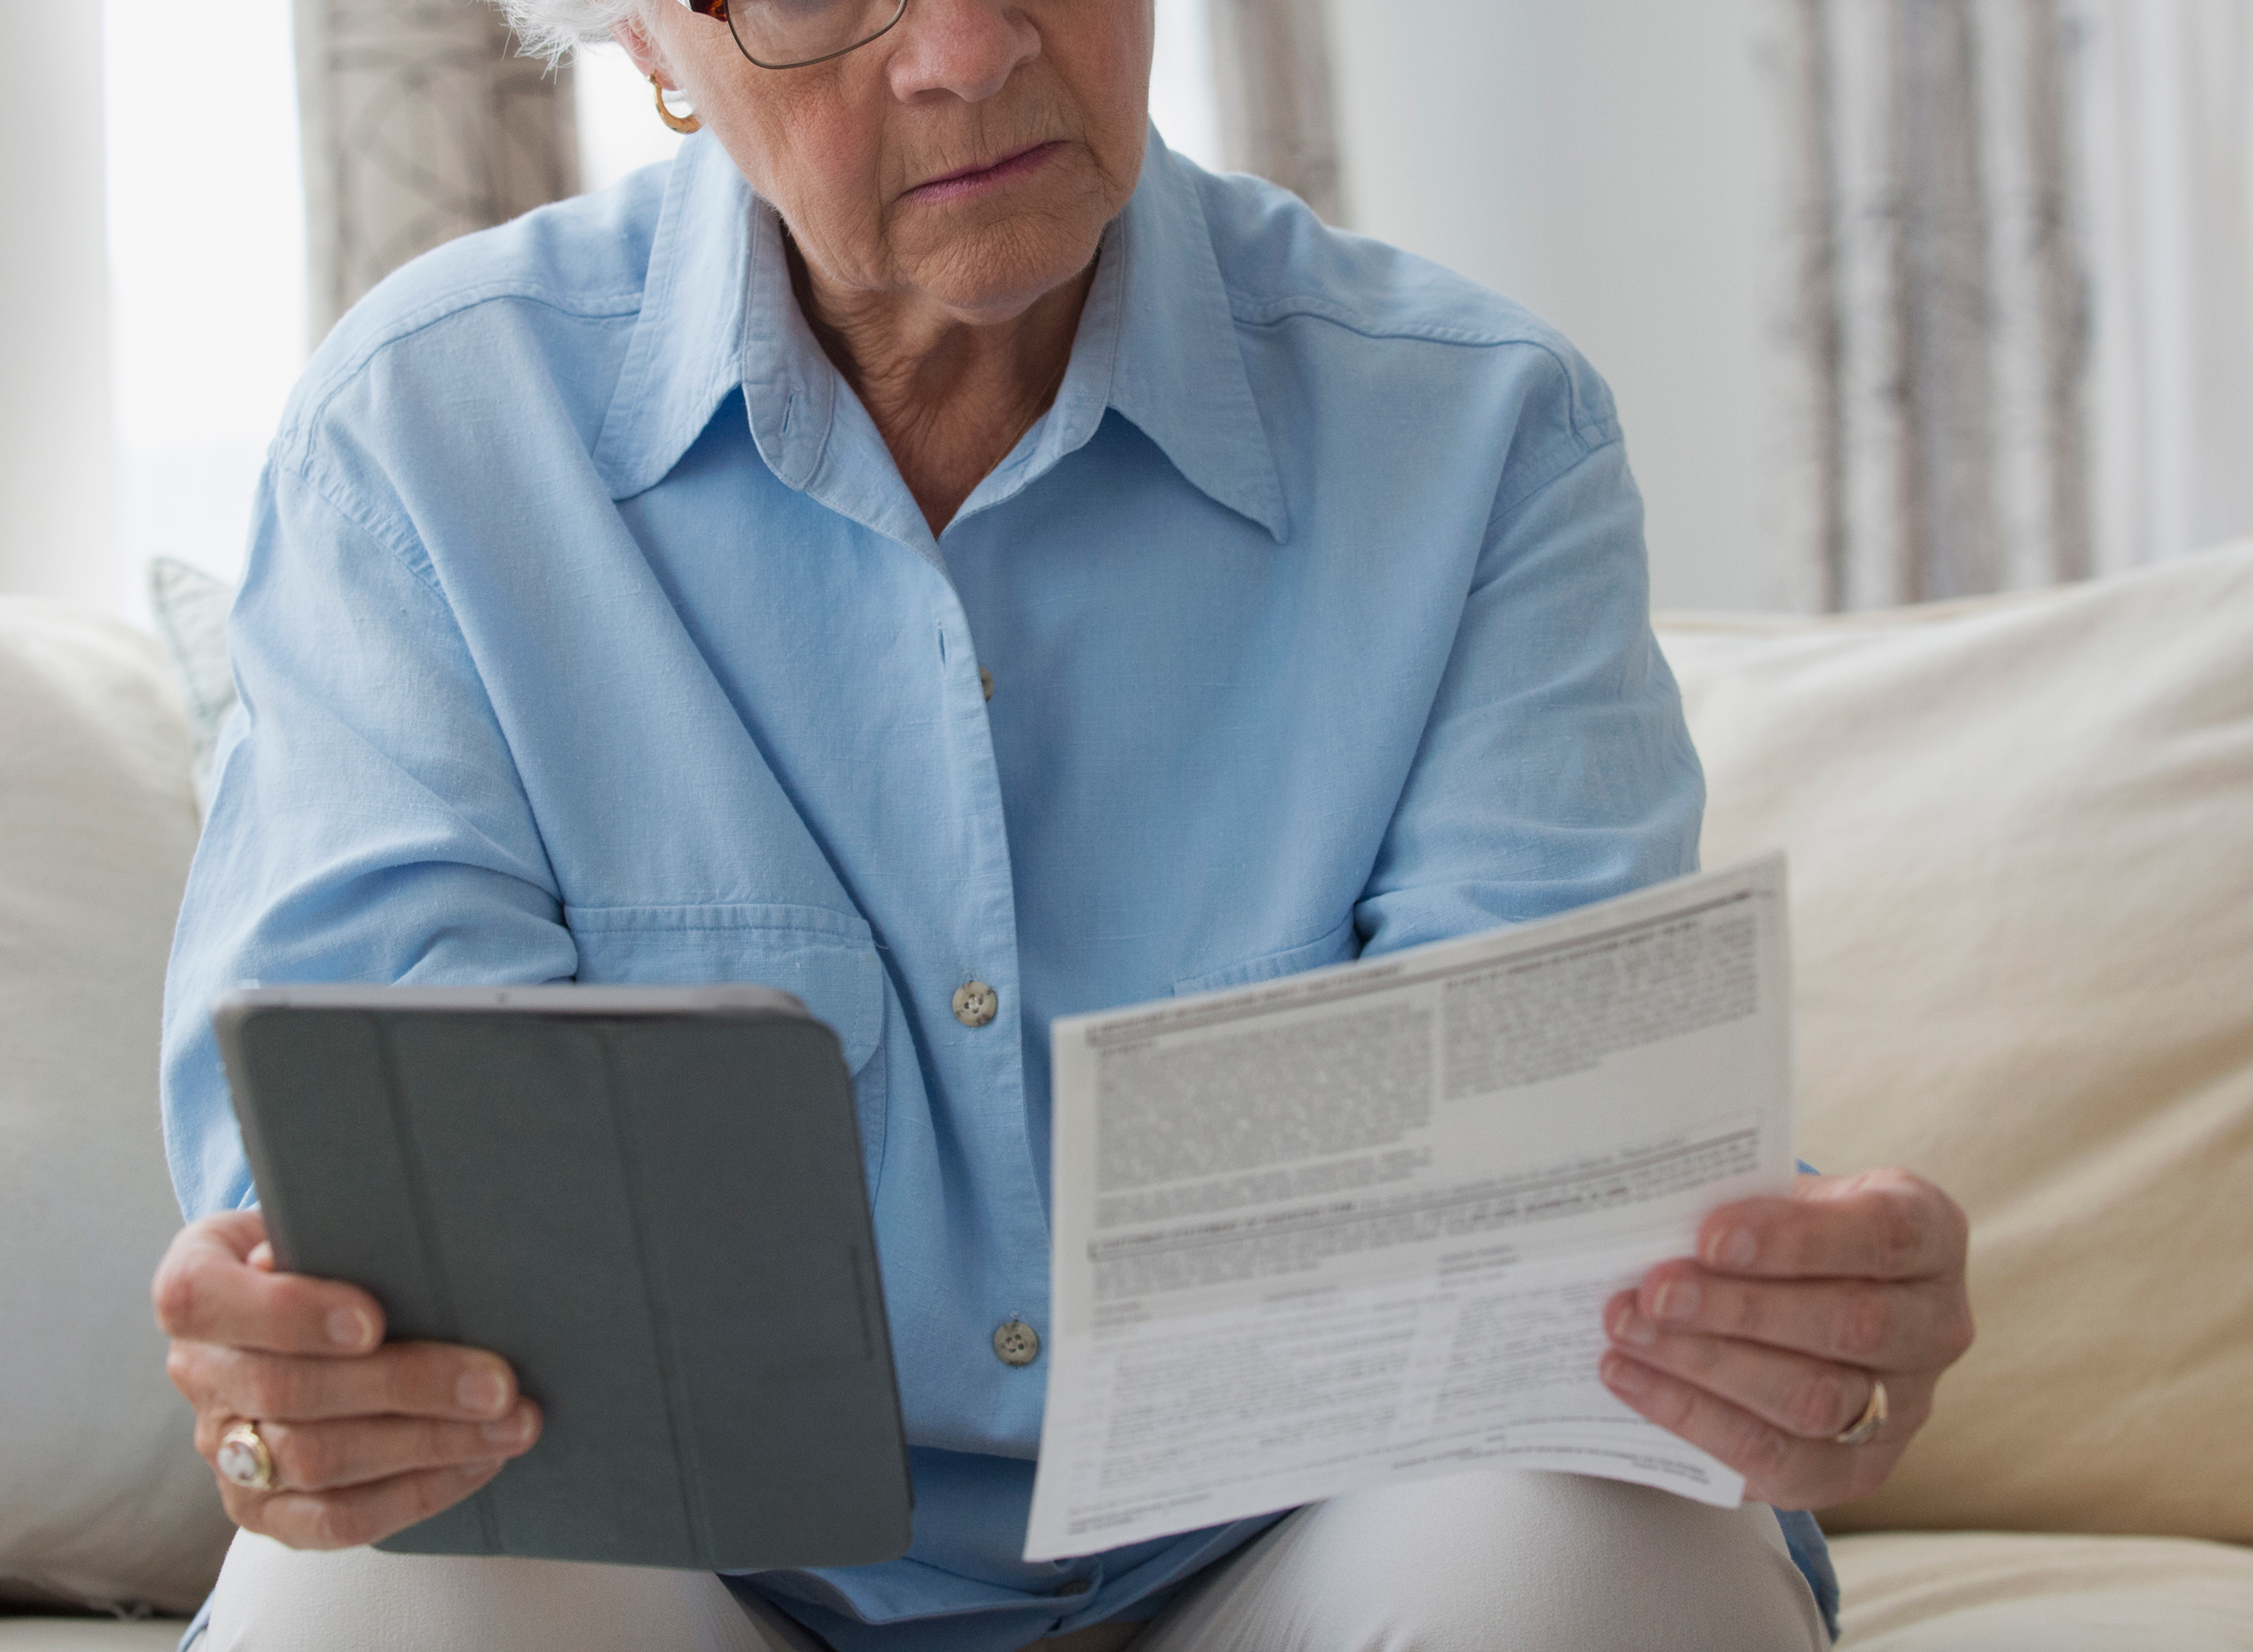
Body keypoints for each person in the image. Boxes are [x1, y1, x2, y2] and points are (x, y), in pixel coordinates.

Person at [152, 0, 1976, 1646]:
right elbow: (370, 1210)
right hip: (690, 1577)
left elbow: (1535, 1200)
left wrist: (1759, 1304)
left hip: (1296, 1544)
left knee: (1588, 1565)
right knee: (382, 1599)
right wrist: (305, 1375)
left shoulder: (1479, 431)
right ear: (649, 42)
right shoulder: (428, 432)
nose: (961, 45)